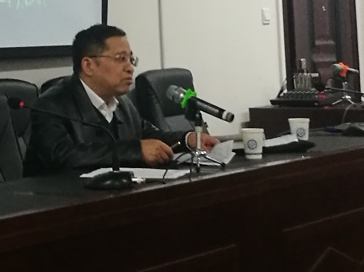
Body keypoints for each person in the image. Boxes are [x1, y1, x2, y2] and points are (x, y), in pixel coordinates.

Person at [23, 23, 218, 175]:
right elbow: (64, 157)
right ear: (89, 65)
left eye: (131, 59)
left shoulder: (122, 103)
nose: (130, 68)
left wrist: (188, 139)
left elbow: (148, 135)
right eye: (120, 58)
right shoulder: (51, 105)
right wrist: (136, 151)